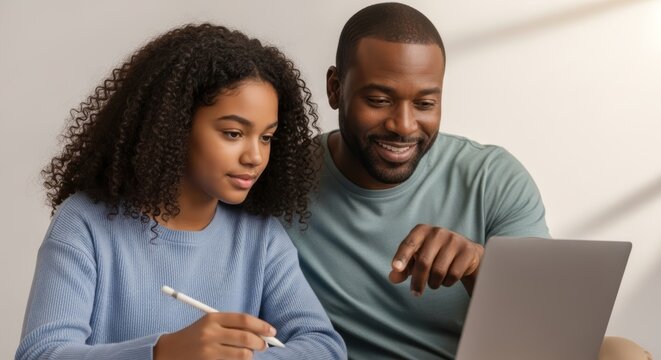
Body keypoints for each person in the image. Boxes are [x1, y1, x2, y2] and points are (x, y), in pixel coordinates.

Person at [284, 3, 652, 360]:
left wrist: (480, 267)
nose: (404, 125)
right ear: (335, 88)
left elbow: (547, 335)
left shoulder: (490, 177)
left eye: (425, 104)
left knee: (623, 353)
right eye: (379, 100)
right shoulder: (278, 179)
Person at [16, 23, 346, 360]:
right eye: (233, 133)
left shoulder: (261, 238)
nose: (255, 157)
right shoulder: (84, 223)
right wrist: (161, 353)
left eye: (266, 137)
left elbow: (323, 347)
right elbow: (41, 353)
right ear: (174, 127)